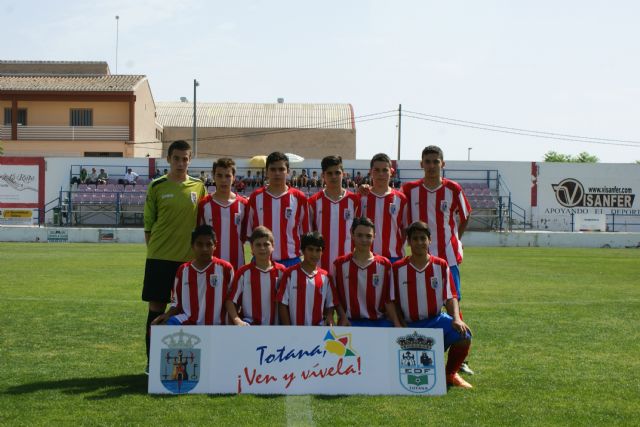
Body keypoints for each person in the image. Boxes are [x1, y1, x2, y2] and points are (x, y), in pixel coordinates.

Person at [402, 145, 474, 374]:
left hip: (447, 258)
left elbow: (465, 216)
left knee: (453, 303)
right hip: (418, 259)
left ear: (443, 164)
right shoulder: (410, 190)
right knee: (415, 304)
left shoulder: (453, 189)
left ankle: (459, 361)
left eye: (436, 161)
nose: (432, 166)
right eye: (428, 161)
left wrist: (454, 240)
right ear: (421, 164)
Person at [141, 139, 206, 371]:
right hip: (159, 259)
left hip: (188, 264)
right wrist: (155, 251)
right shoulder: (157, 186)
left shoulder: (199, 186)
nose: (181, 163)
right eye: (176, 158)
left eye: (185, 158)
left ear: (190, 160)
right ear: (168, 159)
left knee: (188, 312)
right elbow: (149, 224)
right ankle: (152, 363)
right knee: (156, 311)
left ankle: (187, 362)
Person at [392, 221, 473, 389]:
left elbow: (451, 297)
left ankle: (449, 374)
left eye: (423, 238)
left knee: (464, 335)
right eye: (415, 239)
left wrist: (456, 318)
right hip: (409, 324)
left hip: (435, 321)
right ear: (408, 241)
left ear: (430, 240)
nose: (419, 242)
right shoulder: (397, 268)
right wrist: (399, 324)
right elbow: (392, 301)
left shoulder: (441, 266)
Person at [152, 225, 234, 326]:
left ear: (215, 246)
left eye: (209, 244)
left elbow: (233, 301)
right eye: (199, 244)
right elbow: (176, 303)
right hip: (188, 321)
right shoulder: (183, 270)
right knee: (162, 326)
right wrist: (167, 315)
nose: (204, 249)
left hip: (218, 323)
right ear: (192, 246)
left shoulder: (225, 268)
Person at [333, 217, 402, 327]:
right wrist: (343, 317)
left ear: (374, 236)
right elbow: (335, 298)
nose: (364, 240)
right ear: (352, 234)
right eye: (359, 235)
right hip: (350, 322)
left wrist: (396, 323)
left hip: (378, 323)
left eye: (368, 236)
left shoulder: (384, 265)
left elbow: (388, 300)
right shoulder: (340, 264)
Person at [245, 152, 310, 267]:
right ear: (267, 172)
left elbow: (304, 232)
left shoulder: (299, 198)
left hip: (291, 261)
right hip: (261, 262)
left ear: (288, 171)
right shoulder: (256, 197)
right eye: (273, 169)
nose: (277, 173)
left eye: (281, 169)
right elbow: (250, 232)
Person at [277, 232, 344, 326]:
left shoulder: (326, 277)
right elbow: (282, 304)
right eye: (310, 249)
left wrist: (329, 315)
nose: (314, 254)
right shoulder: (290, 274)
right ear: (303, 250)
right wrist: (288, 329)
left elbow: (330, 303)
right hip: (294, 333)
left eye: (318, 250)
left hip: (317, 333)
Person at [308, 155, 361, 273]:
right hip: (320, 266)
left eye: (337, 172)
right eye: (329, 173)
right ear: (323, 175)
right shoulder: (313, 202)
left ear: (344, 174)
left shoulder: (354, 201)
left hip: (348, 265)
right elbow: (309, 234)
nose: (334, 176)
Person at [226, 226, 287, 326]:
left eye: (266, 244)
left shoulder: (282, 271)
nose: (262, 248)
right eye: (258, 245)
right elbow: (230, 301)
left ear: (273, 247)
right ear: (252, 248)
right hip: (250, 329)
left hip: (275, 329)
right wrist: (237, 320)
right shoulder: (243, 272)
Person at [197, 157, 248, 271]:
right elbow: (199, 237)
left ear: (234, 178)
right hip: (210, 266)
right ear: (213, 176)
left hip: (237, 266)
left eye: (228, 176)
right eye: (219, 175)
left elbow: (245, 235)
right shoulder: (204, 205)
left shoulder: (244, 204)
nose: (223, 180)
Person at [360, 153, 408, 263]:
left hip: (394, 257)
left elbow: (404, 229)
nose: (381, 174)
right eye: (376, 170)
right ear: (371, 172)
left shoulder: (401, 199)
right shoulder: (362, 198)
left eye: (385, 170)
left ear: (391, 172)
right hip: (367, 257)